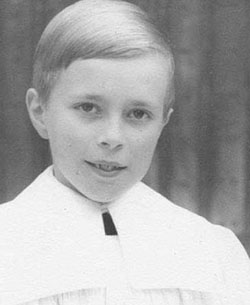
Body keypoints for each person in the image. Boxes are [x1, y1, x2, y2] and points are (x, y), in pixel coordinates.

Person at [0, 0, 249, 304]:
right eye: (88, 108)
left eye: (138, 114)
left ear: (163, 123)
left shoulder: (211, 254)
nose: (112, 138)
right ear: (40, 112)